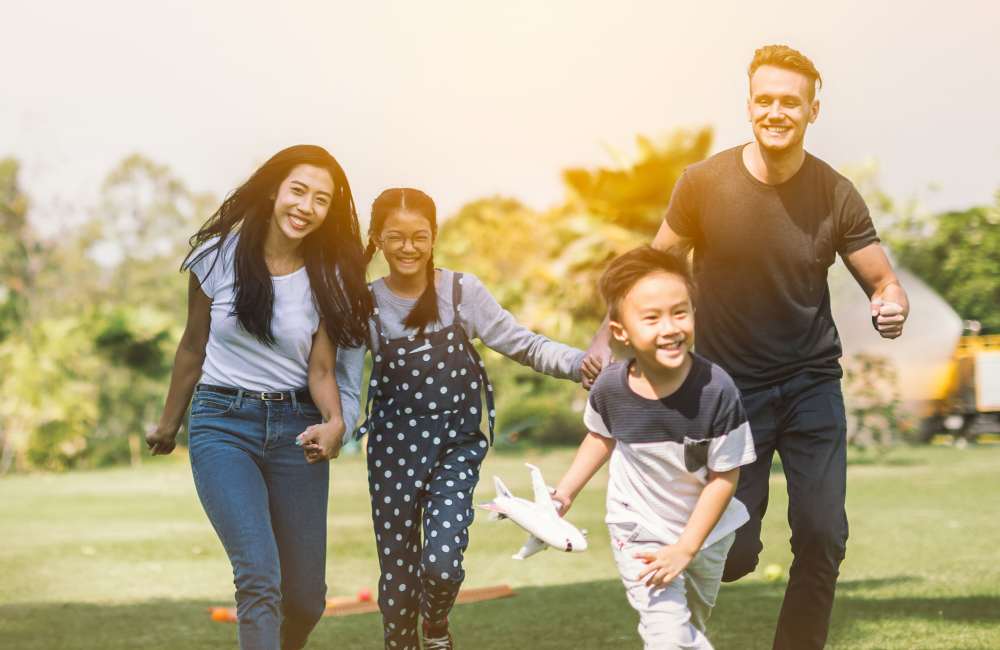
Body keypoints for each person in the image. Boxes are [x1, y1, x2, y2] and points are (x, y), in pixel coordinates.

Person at [587, 45, 910, 649]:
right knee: (731, 553)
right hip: (730, 395)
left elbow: (882, 279)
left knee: (822, 534)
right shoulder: (703, 184)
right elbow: (655, 267)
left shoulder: (836, 194)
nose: (776, 111)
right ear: (749, 105)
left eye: (790, 101)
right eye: (765, 99)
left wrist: (890, 303)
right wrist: (611, 340)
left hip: (812, 383)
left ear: (814, 109)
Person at [145, 144, 373, 650]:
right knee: (258, 577)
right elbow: (192, 345)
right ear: (274, 190)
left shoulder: (329, 275)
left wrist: (334, 422)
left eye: (321, 199)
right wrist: (167, 424)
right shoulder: (216, 256)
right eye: (298, 190)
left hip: (296, 429)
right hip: (222, 424)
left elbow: (321, 369)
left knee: (307, 599)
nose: (306, 207)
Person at [357, 187, 588, 650]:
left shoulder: (461, 292)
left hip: (454, 449)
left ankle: (438, 627)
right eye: (396, 237)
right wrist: (333, 424)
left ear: (434, 236)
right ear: (377, 239)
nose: (408, 247)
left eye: (419, 236)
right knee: (399, 578)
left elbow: (523, 344)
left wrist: (582, 364)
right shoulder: (364, 304)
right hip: (392, 453)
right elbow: (342, 383)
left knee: (442, 565)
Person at [555, 246, 756, 650]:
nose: (670, 327)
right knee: (668, 633)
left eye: (680, 312)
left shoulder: (717, 391)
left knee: (688, 626)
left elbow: (723, 477)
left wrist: (686, 548)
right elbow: (600, 437)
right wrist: (564, 494)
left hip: (706, 535)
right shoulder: (611, 388)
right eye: (652, 318)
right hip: (639, 527)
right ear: (620, 332)